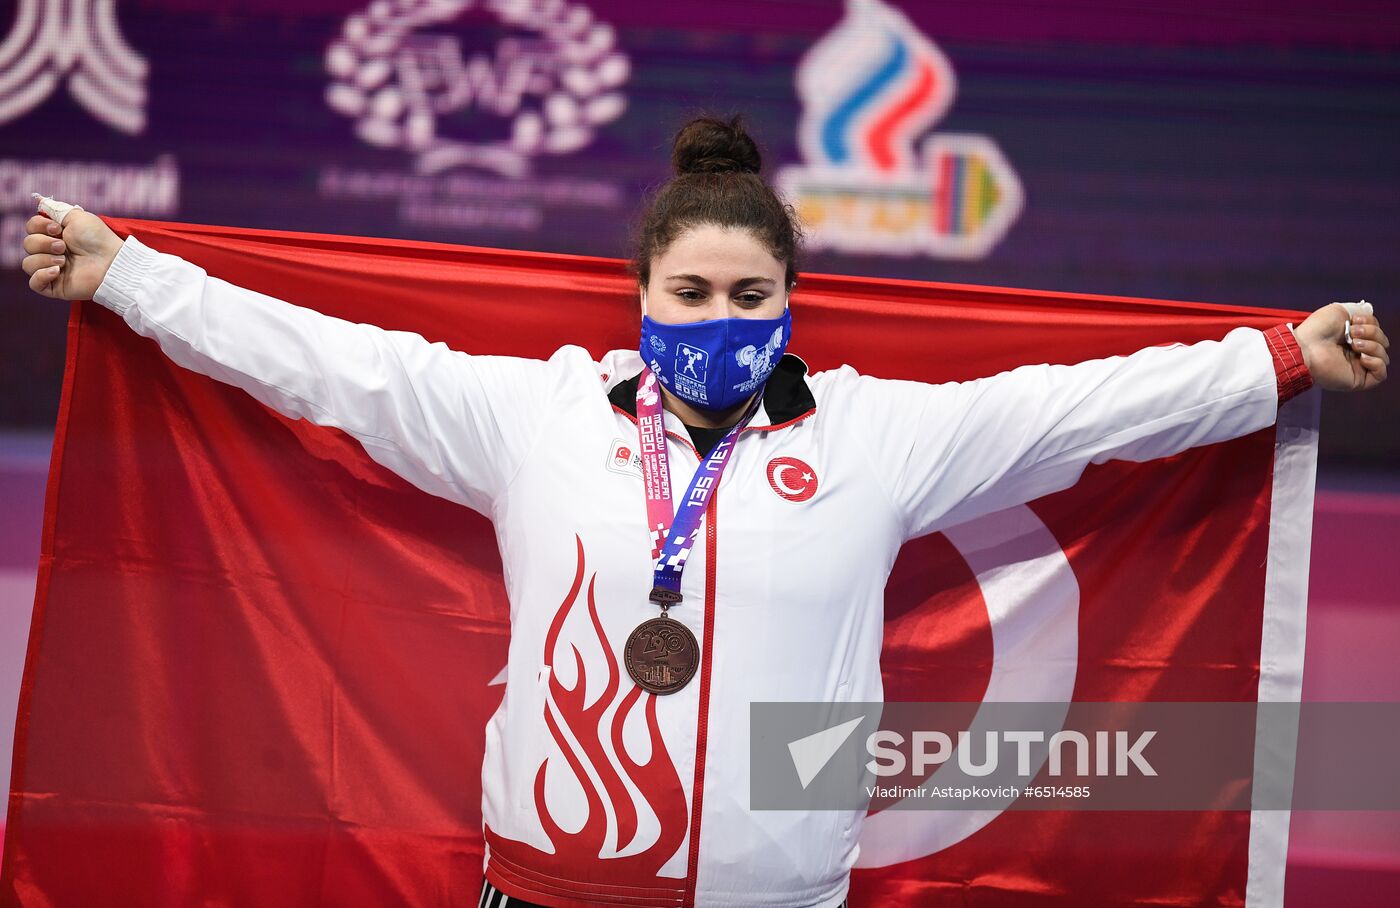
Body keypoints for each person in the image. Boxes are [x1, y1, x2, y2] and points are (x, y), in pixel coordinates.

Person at [19, 115, 1389, 908]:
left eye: (750, 299)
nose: (720, 322)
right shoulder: (532, 415)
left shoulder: (881, 433)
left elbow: (1078, 410)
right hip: (547, 889)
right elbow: (322, 360)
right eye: (690, 295)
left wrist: (1276, 356)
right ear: (642, 298)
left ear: (791, 302)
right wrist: (129, 277)